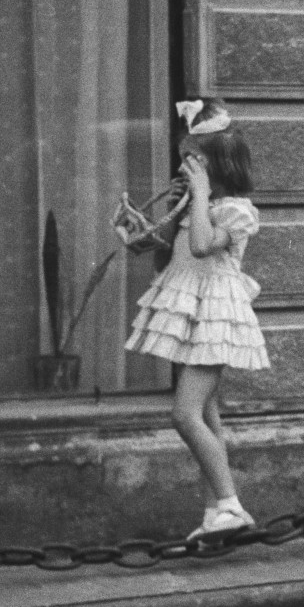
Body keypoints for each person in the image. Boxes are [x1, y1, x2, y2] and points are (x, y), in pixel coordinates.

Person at [126, 98, 269, 541]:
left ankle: (230, 505)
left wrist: (201, 195)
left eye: (191, 159)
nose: (183, 167)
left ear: (213, 165)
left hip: (215, 317)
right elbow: (168, 252)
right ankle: (214, 512)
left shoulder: (236, 210)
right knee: (207, 417)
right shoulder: (197, 205)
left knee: (184, 415)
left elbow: (204, 247)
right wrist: (162, 219)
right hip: (192, 312)